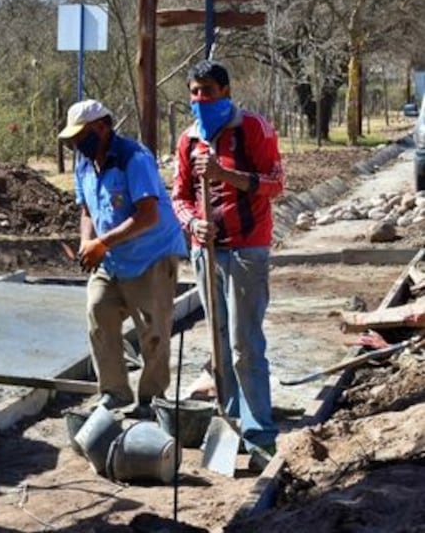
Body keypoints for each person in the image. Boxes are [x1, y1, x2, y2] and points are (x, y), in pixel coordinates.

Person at [171, 59, 284, 467]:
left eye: (207, 91)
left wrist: (225, 174)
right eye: (194, 92)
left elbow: (276, 184)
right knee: (218, 342)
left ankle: (260, 436)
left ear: (225, 92)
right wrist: (192, 224)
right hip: (207, 252)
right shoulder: (189, 140)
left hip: (246, 250)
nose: (200, 99)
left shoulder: (251, 128)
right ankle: (231, 419)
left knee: (244, 344)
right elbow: (179, 196)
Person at [57, 99, 188, 418]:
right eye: (73, 138)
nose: (77, 143)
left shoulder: (134, 158)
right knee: (98, 312)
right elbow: (87, 209)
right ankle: (114, 393)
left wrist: (102, 242)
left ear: (102, 127)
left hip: (151, 256)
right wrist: (87, 241)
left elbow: (147, 216)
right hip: (111, 256)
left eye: (81, 135)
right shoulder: (84, 162)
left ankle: (151, 401)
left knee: (153, 331)